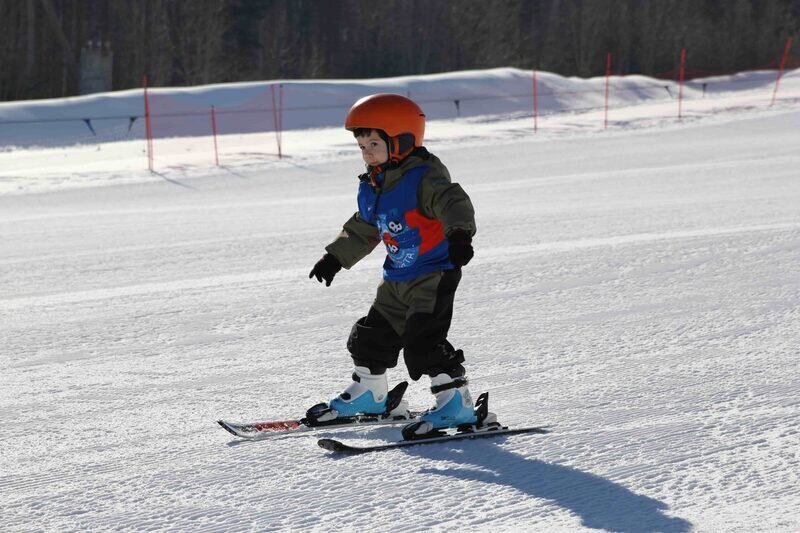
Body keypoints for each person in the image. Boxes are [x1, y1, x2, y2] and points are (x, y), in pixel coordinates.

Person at [308, 93, 481, 436]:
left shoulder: (424, 178)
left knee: (423, 342)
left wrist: (460, 235)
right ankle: (371, 394)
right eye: (362, 146)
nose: (366, 152)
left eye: (374, 143)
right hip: (396, 279)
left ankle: (456, 403)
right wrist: (335, 257)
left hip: (433, 274)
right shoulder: (375, 184)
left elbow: (453, 202)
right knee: (370, 337)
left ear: (402, 139)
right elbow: (365, 226)